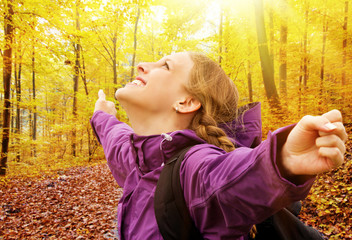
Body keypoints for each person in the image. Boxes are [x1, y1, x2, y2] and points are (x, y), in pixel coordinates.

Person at [90, 52, 347, 240]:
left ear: (186, 101)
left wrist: (283, 160)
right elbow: (116, 138)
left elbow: (228, 180)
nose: (142, 65)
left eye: (165, 65)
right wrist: (102, 115)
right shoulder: (139, 159)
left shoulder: (193, 167)